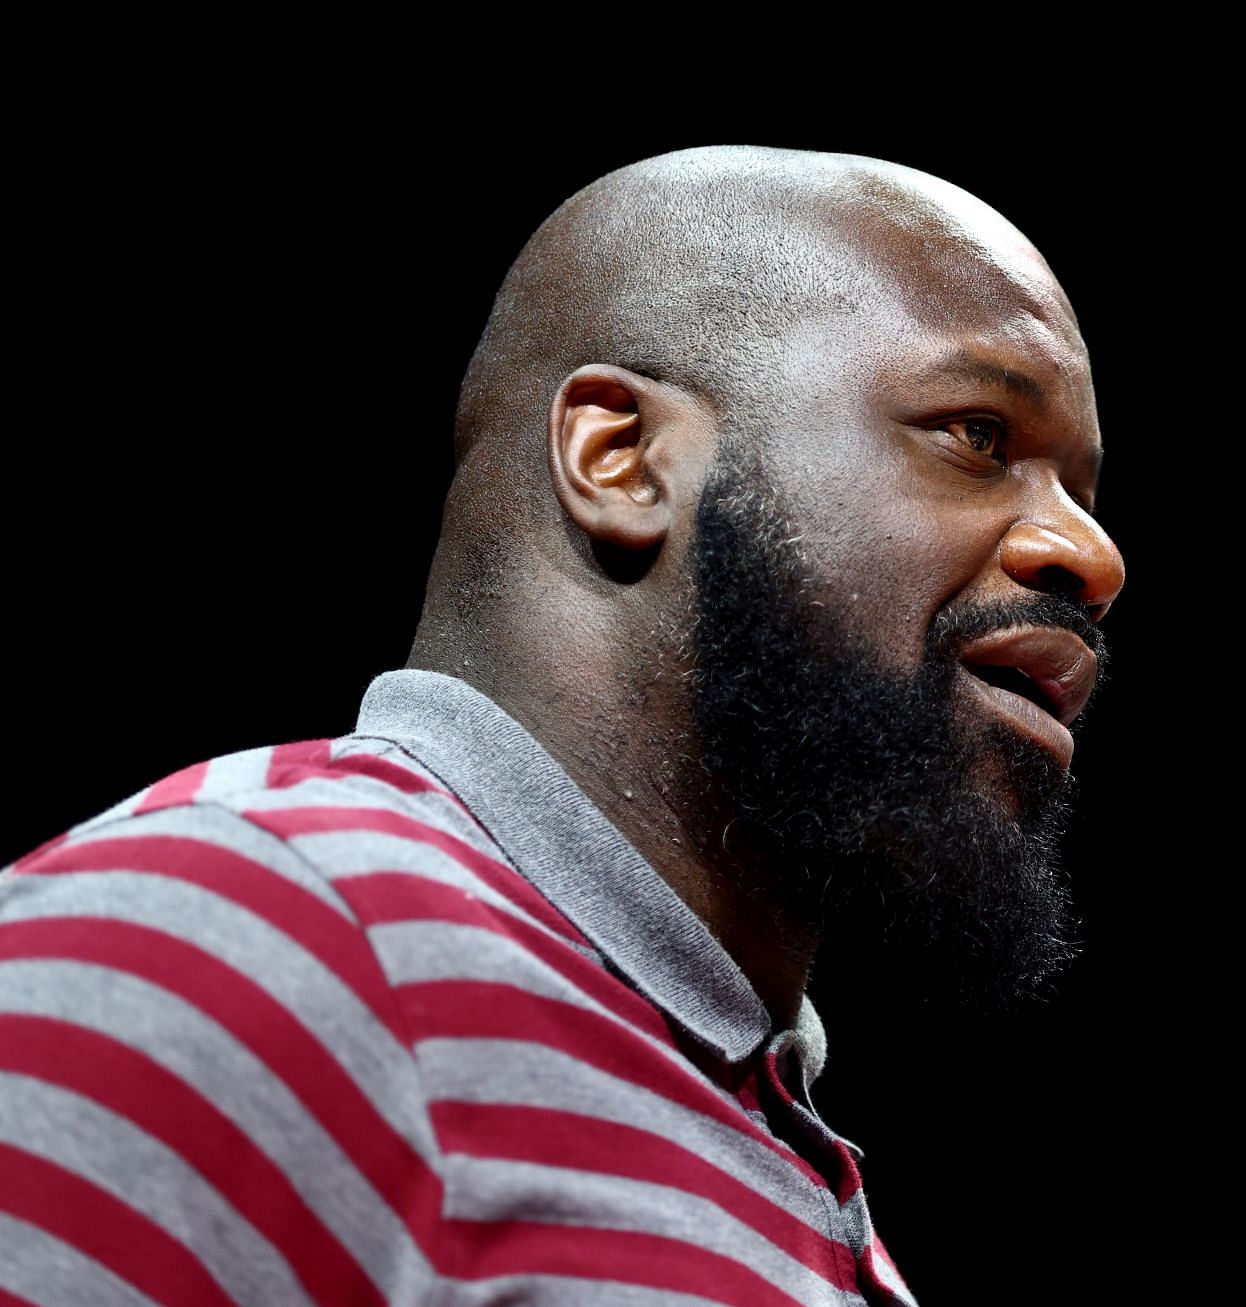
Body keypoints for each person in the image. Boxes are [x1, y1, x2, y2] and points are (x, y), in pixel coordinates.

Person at [0, 144, 1123, 1306]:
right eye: (978, 434)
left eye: (1084, 493)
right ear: (621, 457)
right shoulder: (241, 930)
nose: (1093, 557)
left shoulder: (730, 1093)